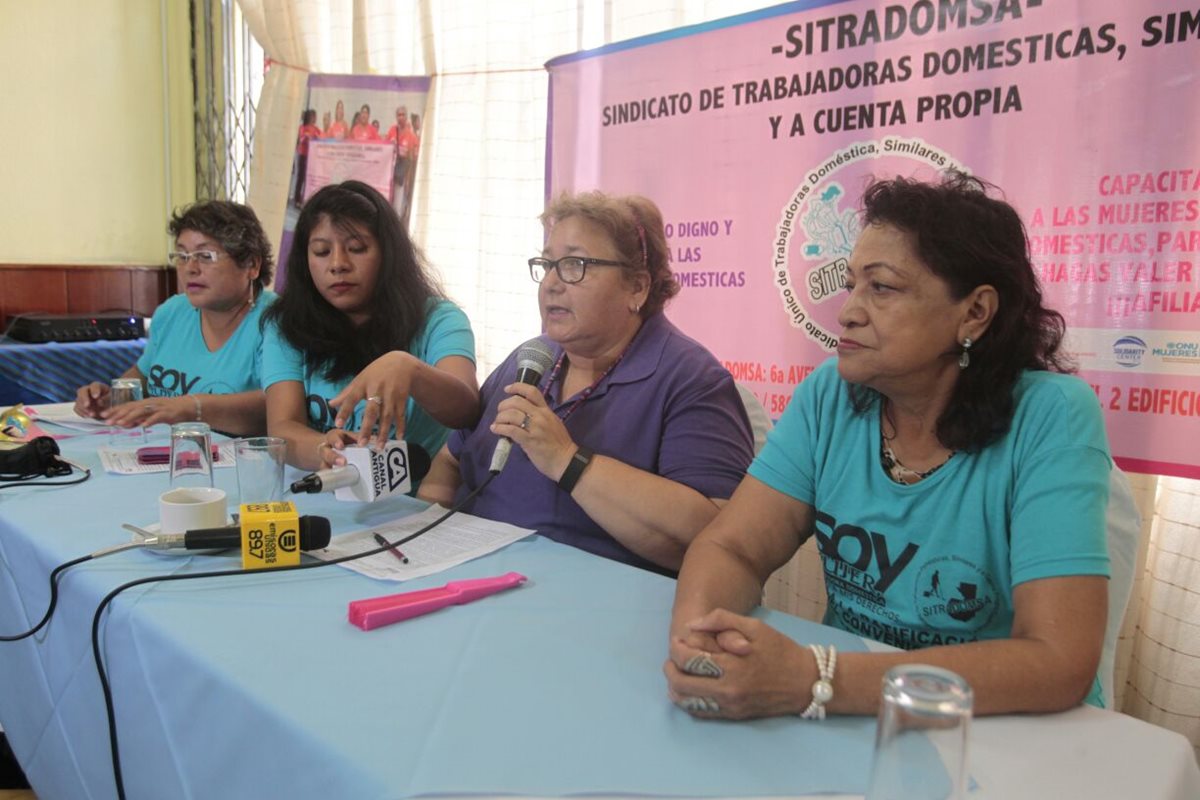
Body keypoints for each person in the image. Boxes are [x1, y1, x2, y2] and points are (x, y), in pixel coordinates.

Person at [665, 173, 1111, 720]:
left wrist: (814, 679)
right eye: (852, 284)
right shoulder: (832, 394)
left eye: (882, 287)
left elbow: (1058, 660)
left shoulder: (1051, 416)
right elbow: (732, 547)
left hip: (999, 726)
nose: (848, 310)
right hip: (850, 710)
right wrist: (700, 644)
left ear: (974, 312)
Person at [418, 192, 755, 575]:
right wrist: (427, 546)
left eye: (575, 265)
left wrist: (566, 459)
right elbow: (449, 464)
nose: (551, 285)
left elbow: (717, 540)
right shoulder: (528, 359)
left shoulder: (692, 379)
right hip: (469, 584)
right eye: (547, 265)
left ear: (637, 289)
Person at [261, 180, 478, 472]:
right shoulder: (287, 325)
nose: (338, 264)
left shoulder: (440, 319)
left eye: (357, 248)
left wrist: (409, 369)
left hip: (416, 502)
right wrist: (325, 449)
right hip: (321, 492)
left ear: (388, 254)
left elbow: (467, 410)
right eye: (322, 252)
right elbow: (283, 427)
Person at [74, 201, 275, 436]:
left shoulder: (277, 320)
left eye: (205, 255)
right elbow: (143, 377)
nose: (190, 268)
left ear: (252, 264)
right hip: (164, 454)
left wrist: (191, 408)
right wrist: (111, 400)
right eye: (182, 255)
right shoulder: (172, 312)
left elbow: (279, 408)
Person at [293, 109, 323, 206]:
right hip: (302, 155)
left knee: (308, 178)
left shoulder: (316, 129)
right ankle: (297, 199)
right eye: (313, 116)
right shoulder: (302, 128)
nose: (314, 118)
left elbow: (321, 138)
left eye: (315, 116)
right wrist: (306, 137)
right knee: (300, 177)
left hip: (311, 157)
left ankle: (304, 198)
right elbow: (301, 139)